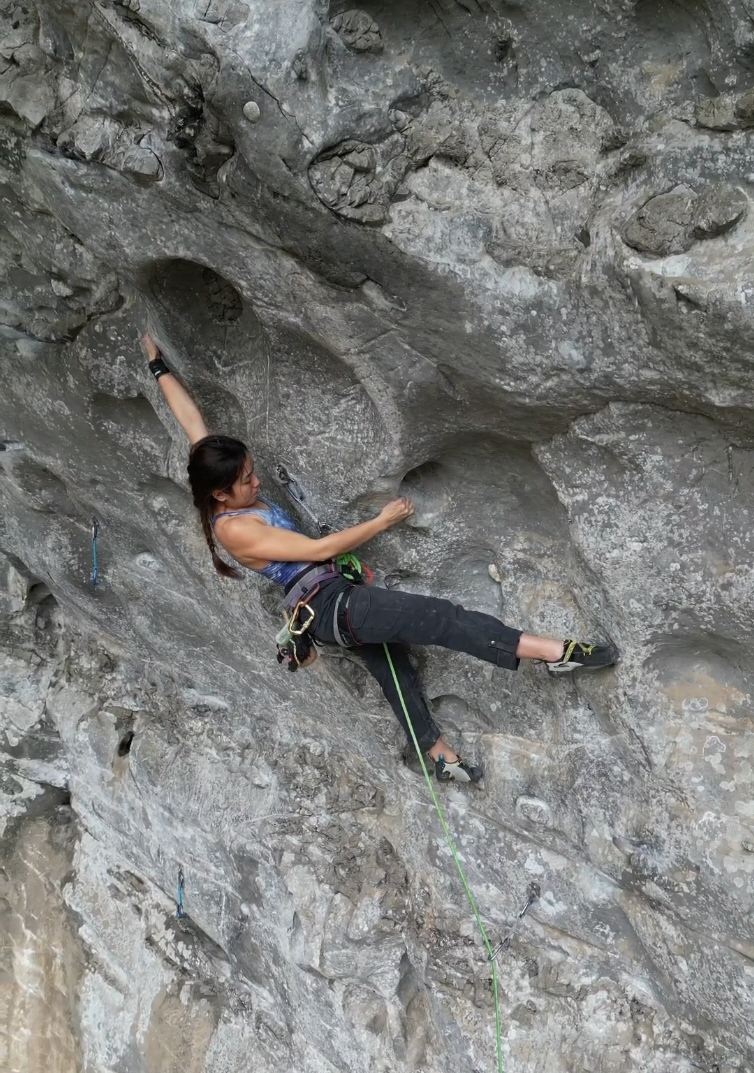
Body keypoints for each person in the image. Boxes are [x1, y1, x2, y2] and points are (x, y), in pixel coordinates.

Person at [141, 333, 617, 783]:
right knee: (442, 618)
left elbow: (191, 420)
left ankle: (438, 757)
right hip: (332, 607)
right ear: (222, 494)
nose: (257, 481)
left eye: (252, 472)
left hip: (332, 606)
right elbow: (319, 549)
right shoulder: (239, 528)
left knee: (395, 669)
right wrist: (382, 522)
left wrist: (158, 364)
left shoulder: (218, 486)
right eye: (247, 480)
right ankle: (554, 654)